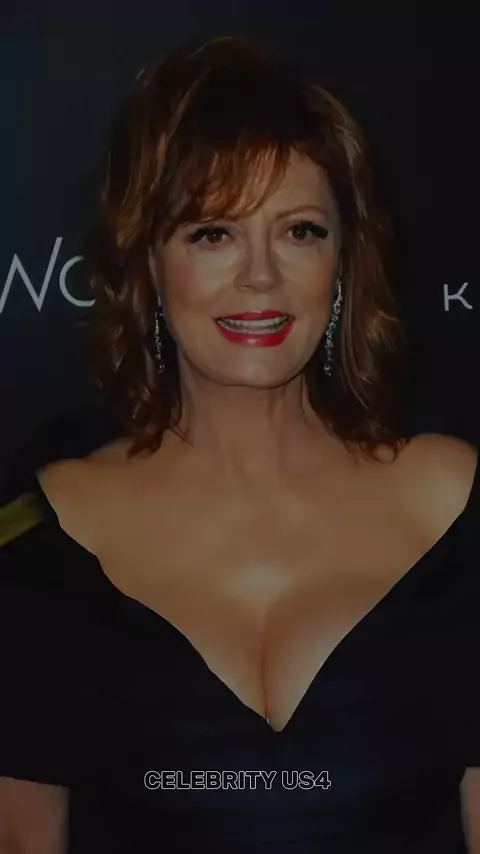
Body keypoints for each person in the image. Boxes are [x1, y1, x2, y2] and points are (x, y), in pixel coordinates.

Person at [1, 32, 479, 854]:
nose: (260, 275)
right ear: (149, 265)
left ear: (344, 263)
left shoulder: (453, 507)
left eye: (300, 231)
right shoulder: (45, 541)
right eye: (211, 233)